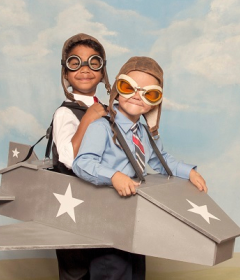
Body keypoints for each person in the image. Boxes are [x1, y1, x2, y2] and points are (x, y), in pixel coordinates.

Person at [72, 56, 208, 279]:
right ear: (117, 88)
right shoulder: (101, 128)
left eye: (149, 93)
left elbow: (162, 160)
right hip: (107, 217)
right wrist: (113, 176)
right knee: (112, 269)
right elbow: (82, 163)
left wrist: (189, 171)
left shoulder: (145, 133)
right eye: (129, 87)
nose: (137, 95)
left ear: (156, 102)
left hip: (135, 217)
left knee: (135, 271)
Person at [51, 33, 110, 280]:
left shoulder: (107, 110)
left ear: (102, 71)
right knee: (78, 270)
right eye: (75, 63)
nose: (84, 69)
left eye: (93, 62)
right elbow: (68, 158)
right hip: (74, 206)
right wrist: (87, 119)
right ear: (65, 73)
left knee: (107, 264)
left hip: (103, 206)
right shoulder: (65, 113)